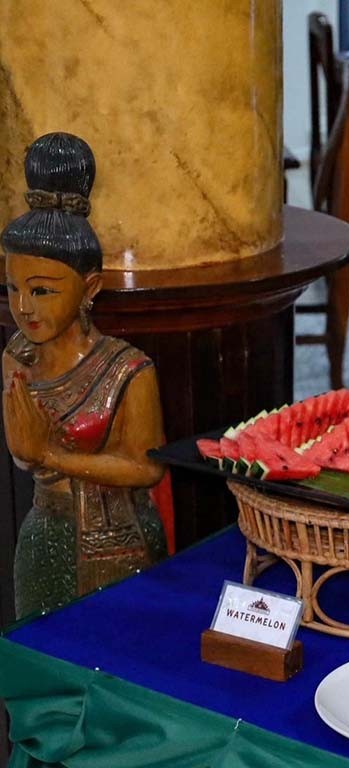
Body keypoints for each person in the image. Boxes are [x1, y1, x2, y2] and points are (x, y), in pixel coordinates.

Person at [3, 133, 167, 618]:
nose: (23, 307)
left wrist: (50, 454)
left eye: (42, 291)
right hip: (44, 530)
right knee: (39, 654)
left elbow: (147, 469)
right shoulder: (17, 356)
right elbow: (22, 456)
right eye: (12, 288)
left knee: (116, 651)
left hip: (120, 540)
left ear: (90, 286)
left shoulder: (128, 369)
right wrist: (32, 452)